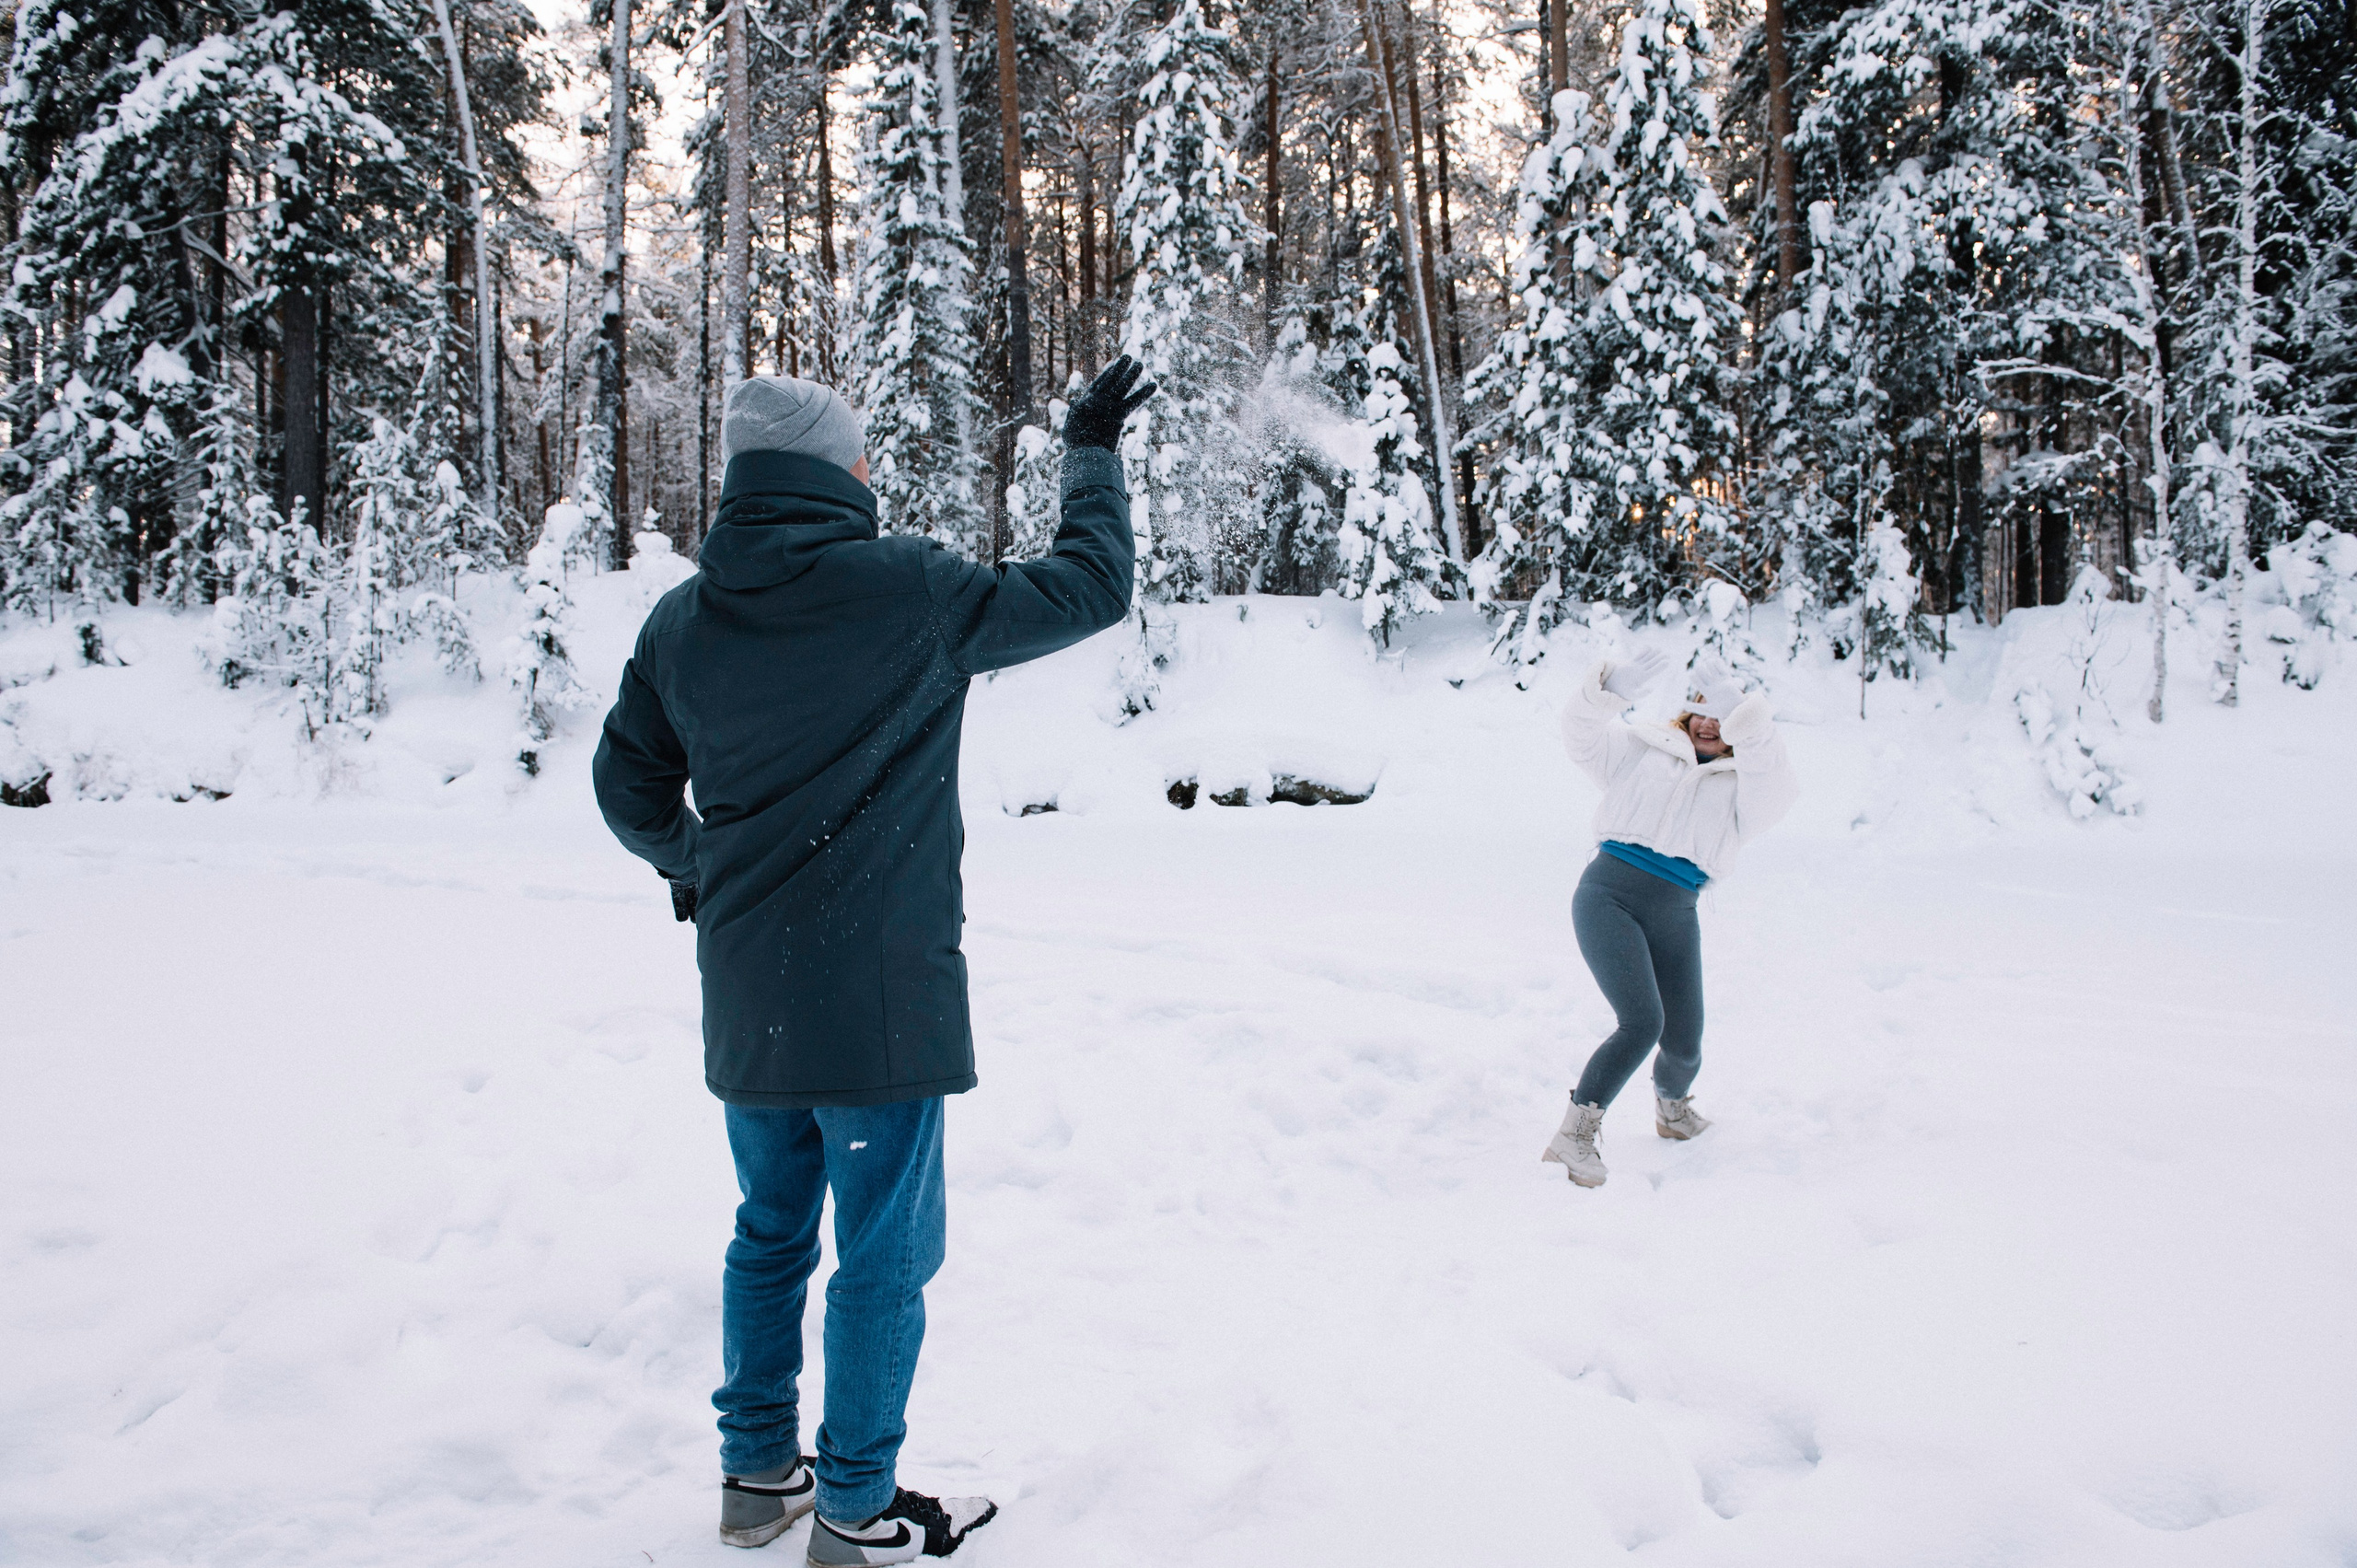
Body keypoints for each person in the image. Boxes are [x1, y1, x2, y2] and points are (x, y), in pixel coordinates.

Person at [592, 358, 1156, 1562]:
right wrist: (1091, 449)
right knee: (884, 1255)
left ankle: (758, 1476)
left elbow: (625, 784)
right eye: (858, 457)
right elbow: (1092, 585)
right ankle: (854, 1505)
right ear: (830, 471)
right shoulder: (906, 587)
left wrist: (697, 870)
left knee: (771, 1228)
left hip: (752, 1003)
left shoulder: (683, 620)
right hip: (881, 1008)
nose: (868, 471)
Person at [1541, 648, 1800, 1189]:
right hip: (1608, 895)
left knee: (1684, 1041)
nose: (1709, 721)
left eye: (1724, 713)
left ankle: (1672, 1111)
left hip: (1676, 911)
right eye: (1701, 707)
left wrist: (1745, 718)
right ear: (1684, 712)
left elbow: (1778, 790)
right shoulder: (1642, 748)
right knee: (1642, 1023)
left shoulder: (1745, 785)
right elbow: (1579, 734)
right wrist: (1608, 691)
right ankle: (1574, 1135)